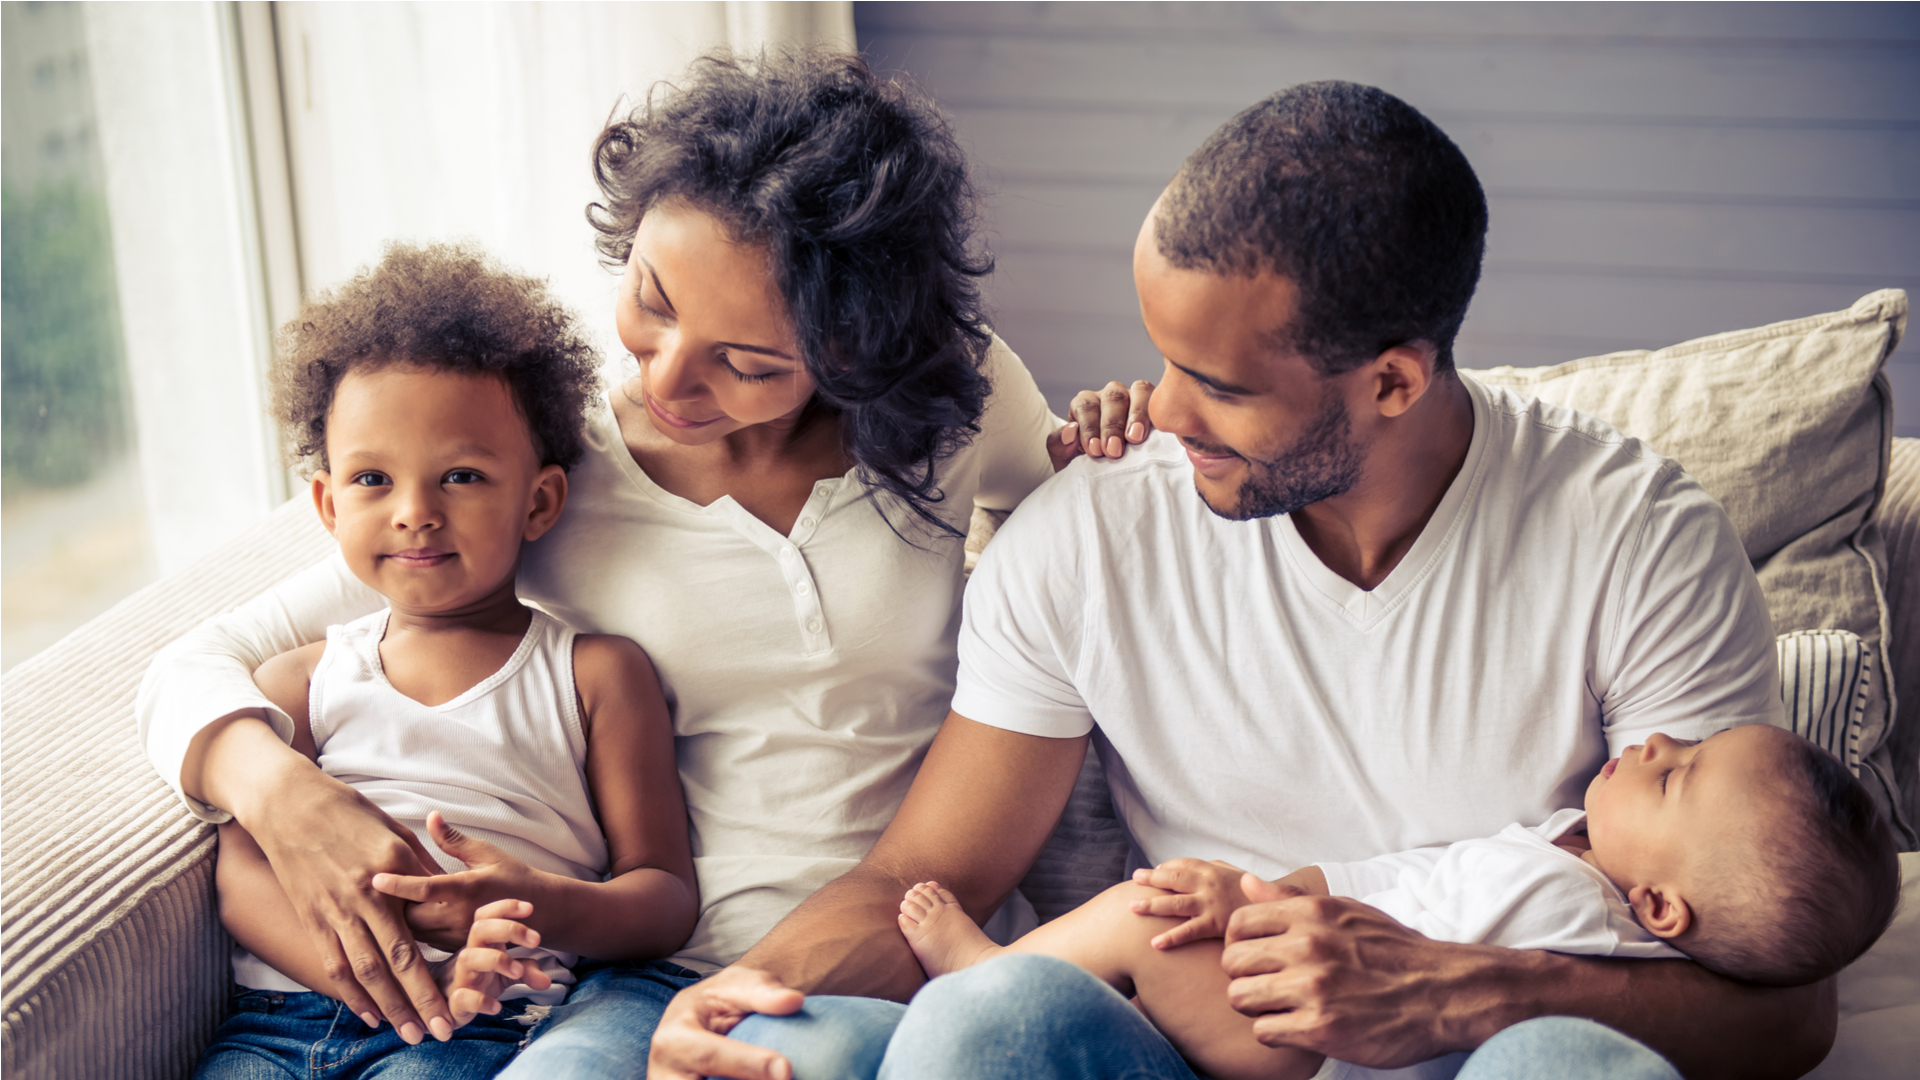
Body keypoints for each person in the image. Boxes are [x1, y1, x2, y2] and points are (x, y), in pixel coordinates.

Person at [648, 81, 1837, 1080]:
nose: (1158, 412)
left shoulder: (1636, 539)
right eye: (1163, 357)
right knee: (987, 1019)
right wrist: (743, 993)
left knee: (1562, 1067)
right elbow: (921, 878)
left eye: (1219, 384)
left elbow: (1784, 1006)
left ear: (1392, 382)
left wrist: (1455, 995)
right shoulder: (1092, 535)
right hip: (1200, 1047)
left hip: (1494, 1045)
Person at [137, 50, 1153, 1075]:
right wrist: (279, 792)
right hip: (640, 968)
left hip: (907, 942)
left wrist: (1108, 438)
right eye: (653, 302)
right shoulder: (545, 470)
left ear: (853, 350)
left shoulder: (951, 398)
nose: (668, 377)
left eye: (749, 362)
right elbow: (202, 661)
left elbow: (1073, 531)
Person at [193, 242, 700, 1078]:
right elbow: (240, 873)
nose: (415, 513)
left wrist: (539, 907)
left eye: (460, 476)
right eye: (372, 481)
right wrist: (376, 981)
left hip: (478, 1027)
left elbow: (663, 899)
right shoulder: (301, 684)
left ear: (538, 500)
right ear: (326, 503)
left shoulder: (595, 677)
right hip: (279, 1022)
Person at [897, 724, 1902, 1080]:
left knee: (1150, 913)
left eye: (1675, 776)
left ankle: (989, 971)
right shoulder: (1567, 859)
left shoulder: (1566, 906)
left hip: (1309, 1038)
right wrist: (1281, 890)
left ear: (1663, 909)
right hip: (1314, 1024)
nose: (1651, 744)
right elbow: (1401, 887)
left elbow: (1388, 962)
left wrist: (1244, 900)